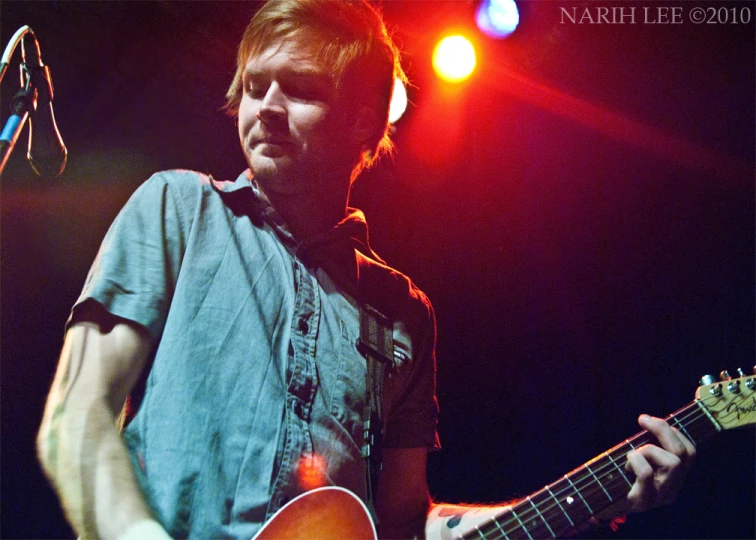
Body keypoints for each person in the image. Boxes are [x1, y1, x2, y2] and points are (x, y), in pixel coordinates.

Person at [37, 1, 696, 538]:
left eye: (298, 90)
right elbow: (76, 415)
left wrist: (606, 497)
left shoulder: (403, 312)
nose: (264, 107)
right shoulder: (178, 206)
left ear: (363, 121)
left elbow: (404, 526)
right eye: (253, 87)